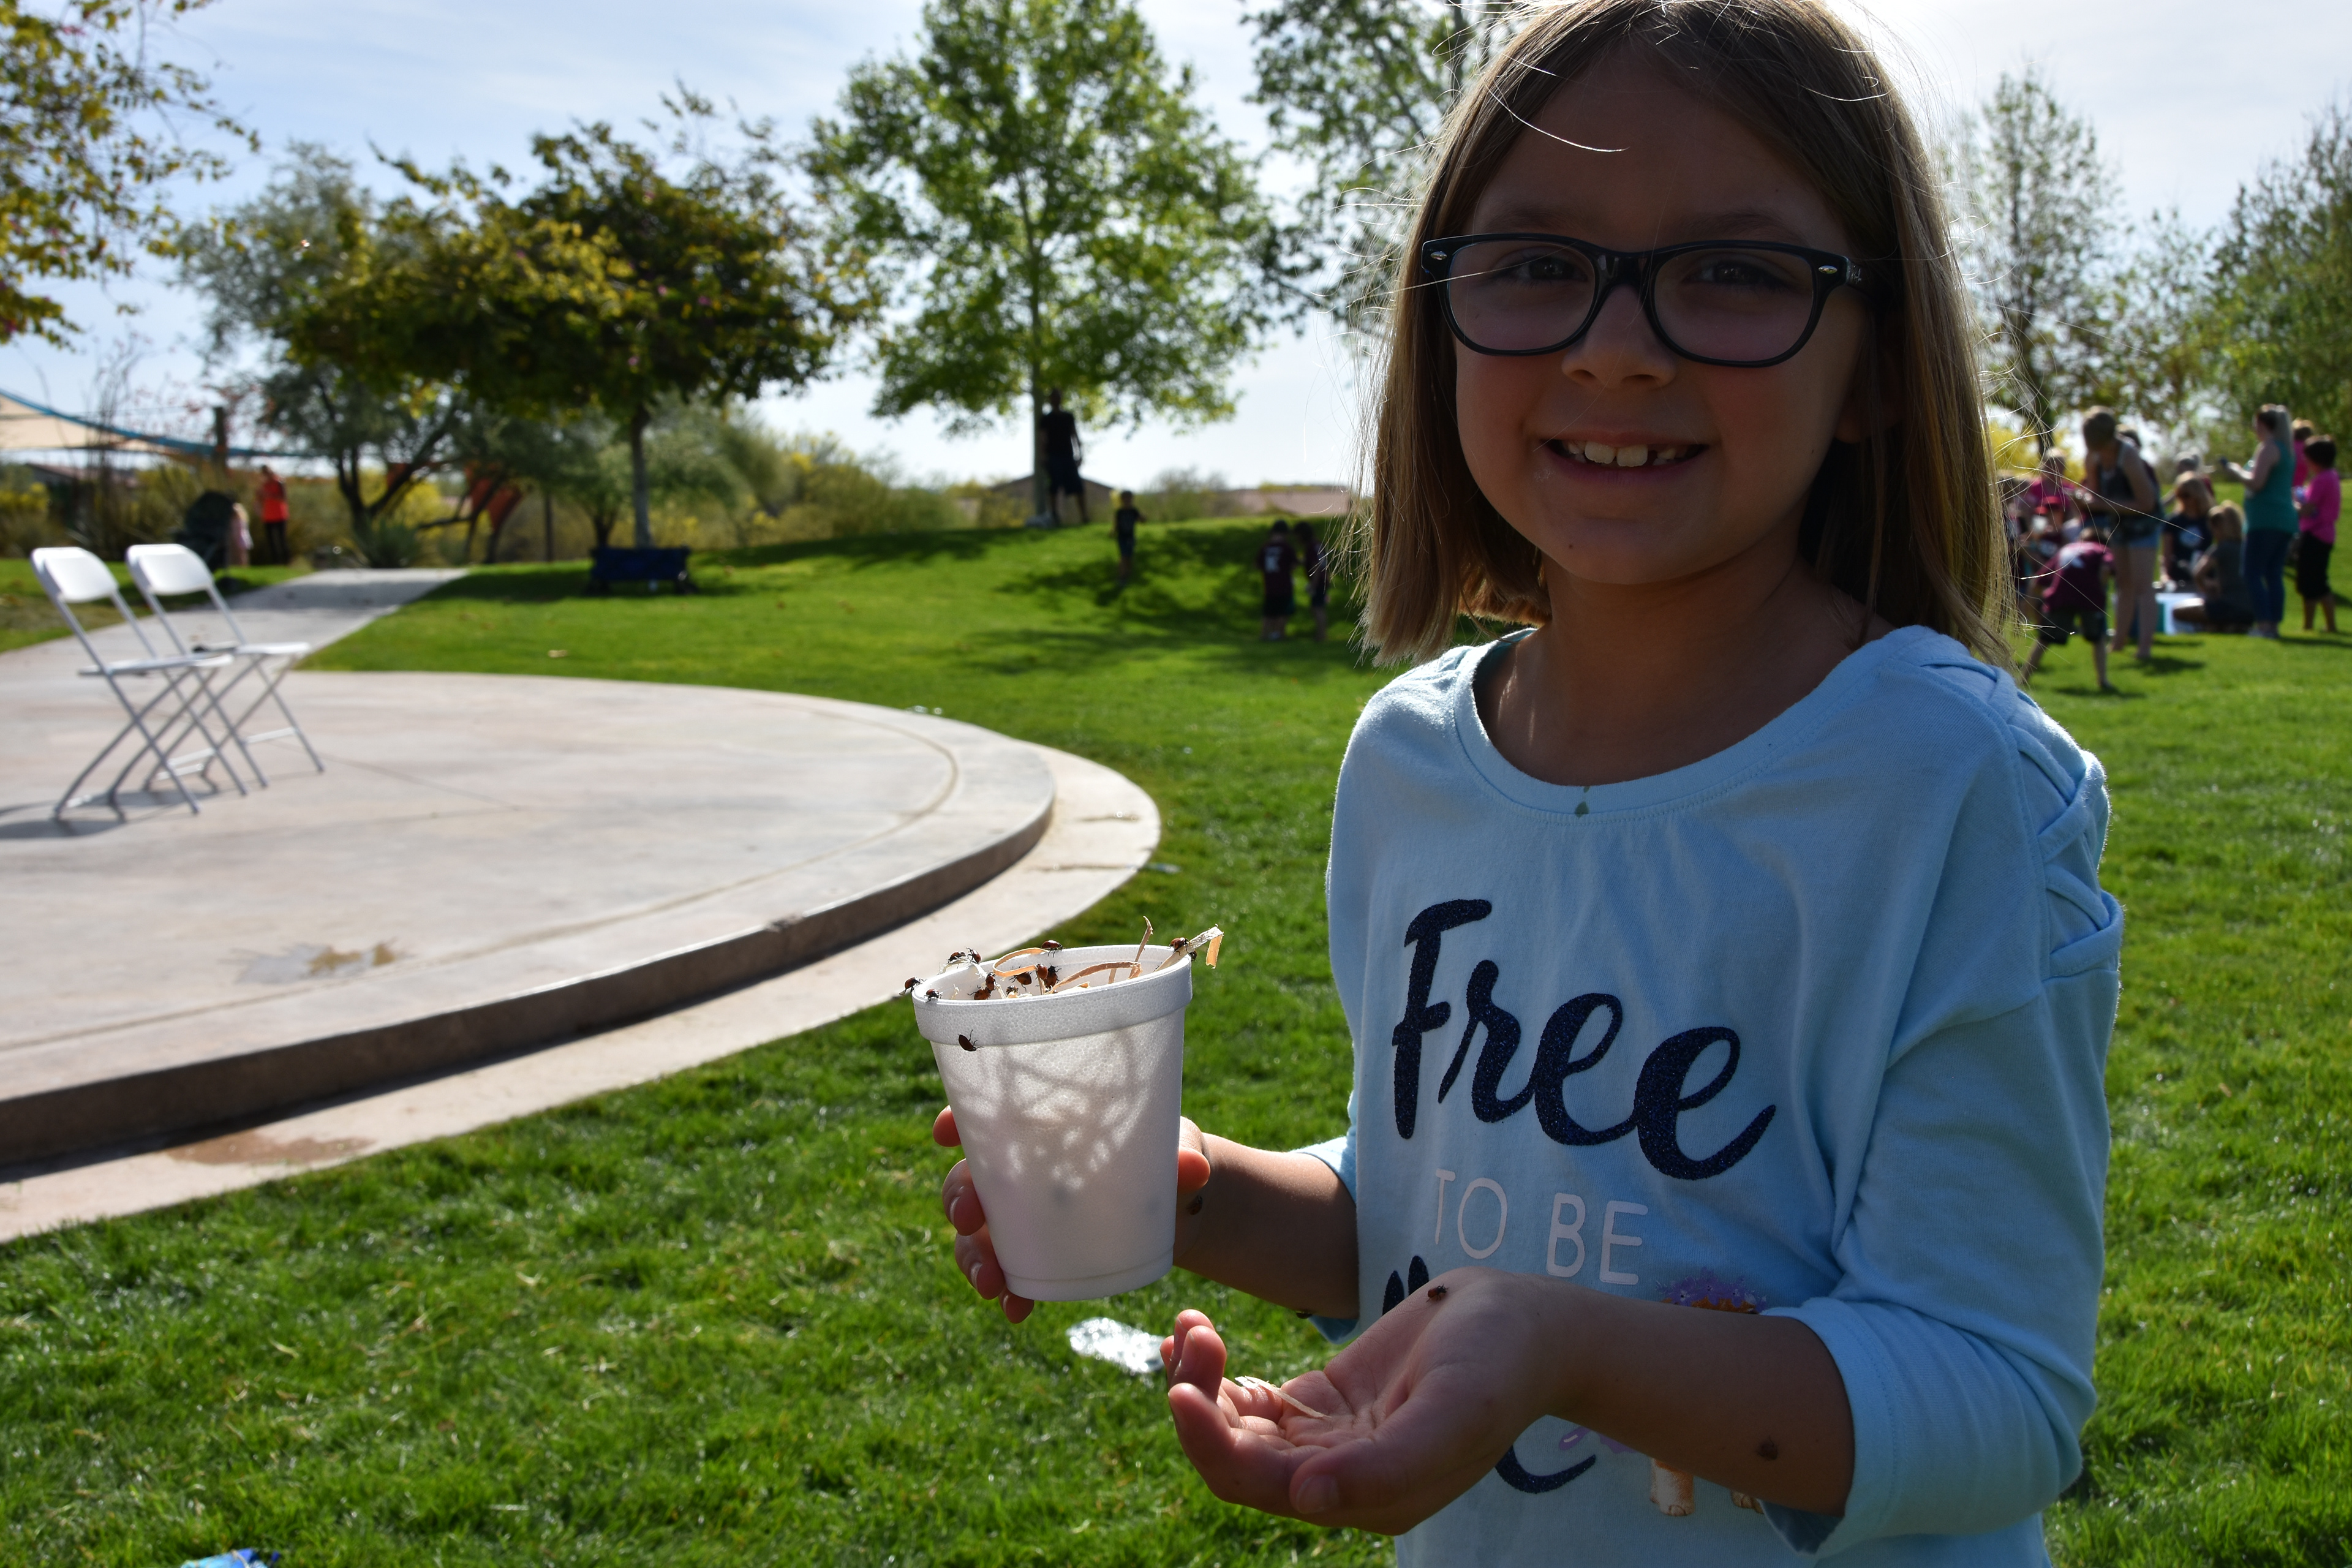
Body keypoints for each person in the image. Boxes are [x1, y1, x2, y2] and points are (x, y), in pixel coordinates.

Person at [937, 4, 2119, 1562]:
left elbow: (1999, 1392)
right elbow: (1436, 1206)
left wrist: (1558, 1347)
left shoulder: (1951, 787)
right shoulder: (1410, 763)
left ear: (1877, 368)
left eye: (1735, 271)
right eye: (1536, 263)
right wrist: (1193, 1194)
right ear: (1439, 320)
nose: (1617, 346)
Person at [2075, 409, 2161, 662]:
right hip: (2119, 523)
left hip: (2144, 524)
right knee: (2124, 583)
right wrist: (2082, 498)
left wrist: (2103, 504)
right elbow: (2095, 493)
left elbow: (2147, 502)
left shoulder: (2129, 455)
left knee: (2143, 585)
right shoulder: (2093, 457)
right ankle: (2118, 644)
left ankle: (2145, 648)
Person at [2215, 405, 2297, 638]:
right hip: (2283, 521)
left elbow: (2256, 483)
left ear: (2262, 424)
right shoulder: (2285, 449)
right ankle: (2273, 624)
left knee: (2252, 573)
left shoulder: (2269, 448)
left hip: (2265, 520)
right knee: (2273, 573)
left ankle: (2264, 624)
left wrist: (2236, 471)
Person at [2019, 522, 2116, 692]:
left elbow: (2039, 580)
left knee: (2044, 639)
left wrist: (2032, 608)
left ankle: (2023, 678)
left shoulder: (2068, 549)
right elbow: (2106, 569)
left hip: (2061, 596)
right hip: (2090, 597)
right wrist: (2100, 588)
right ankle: (2103, 681)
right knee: (2098, 638)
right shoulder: (2102, 549)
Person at [2173, 503, 2255, 632]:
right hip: (2251, 610)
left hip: (2228, 606)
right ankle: (2231, 627)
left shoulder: (2221, 548)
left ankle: (2217, 626)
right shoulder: (2247, 548)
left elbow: (2198, 574)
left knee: (2177, 611)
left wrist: (2206, 590)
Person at [2298, 435, 2339, 633]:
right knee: (2316, 580)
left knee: (2312, 581)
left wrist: (2293, 506)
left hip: (2316, 534)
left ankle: (2315, 625)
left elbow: (2308, 510)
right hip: (2326, 534)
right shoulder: (2332, 476)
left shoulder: (2322, 479)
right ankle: (2324, 625)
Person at [1040, 388, 1088, 526]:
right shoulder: (1046, 419)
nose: (1056, 399)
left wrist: (1080, 454)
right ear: (1050, 400)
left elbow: (1075, 435)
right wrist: (1043, 457)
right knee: (1054, 487)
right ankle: (1055, 517)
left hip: (1068, 456)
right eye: (1054, 397)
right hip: (1053, 457)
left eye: (1058, 397)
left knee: (1078, 486)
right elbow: (1042, 439)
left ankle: (1084, 517)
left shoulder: (1068, 417)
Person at [2166, 471, 2213, 588]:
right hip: (2179, 577)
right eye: (2179, 495)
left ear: (2197, 495)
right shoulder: (2173, 521)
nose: (2183, 499)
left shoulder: (2209, 520)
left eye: (2186, 495)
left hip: (2206, 576)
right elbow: (2167, 555)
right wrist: (2165, 576)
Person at [1257, 519, 1298, 639]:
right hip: (1284, 584)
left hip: (1269, 585)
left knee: (1269, 612)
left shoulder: (1266, 547)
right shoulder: (1286, 548)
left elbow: (1258, 565)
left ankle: (1264, 634)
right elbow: (1294, 565)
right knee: (1283, 611)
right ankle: (1279, 634)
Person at [1294, 519, 1333, 641]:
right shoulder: (1317, 544)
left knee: (1317, 608)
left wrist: (1313, 584)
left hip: (1319, 581)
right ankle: (1321, 634)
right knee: (1317, 607)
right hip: (1323, 579)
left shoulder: (1311, 547)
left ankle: (1321, 635)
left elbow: (1316, 566)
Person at [257, 464, 290, 566]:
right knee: (271, 541)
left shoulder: (279, 483)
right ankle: (275, 563)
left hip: (280, 515)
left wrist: (270, 495)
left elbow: (283, 498)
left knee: (282, 540)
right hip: (268, 516)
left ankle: (287, 562)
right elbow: (260, 501)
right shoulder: (264, 485)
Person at [1113, 489, 1144, 582]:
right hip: (1122, 537)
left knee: (1129, 557)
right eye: (1125, 498)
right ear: (1122, 500)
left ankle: (1128, 573)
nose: (1127, 500)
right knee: (1123, 556)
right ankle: (1122, 576)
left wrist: (1143, 518)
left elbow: (1141, 520)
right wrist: (1113, 531)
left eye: (1129, 498)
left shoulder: (1134, 511)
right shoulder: (1120, 512)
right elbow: (1116, 524)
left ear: (1132, 499)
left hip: (1131, 537)